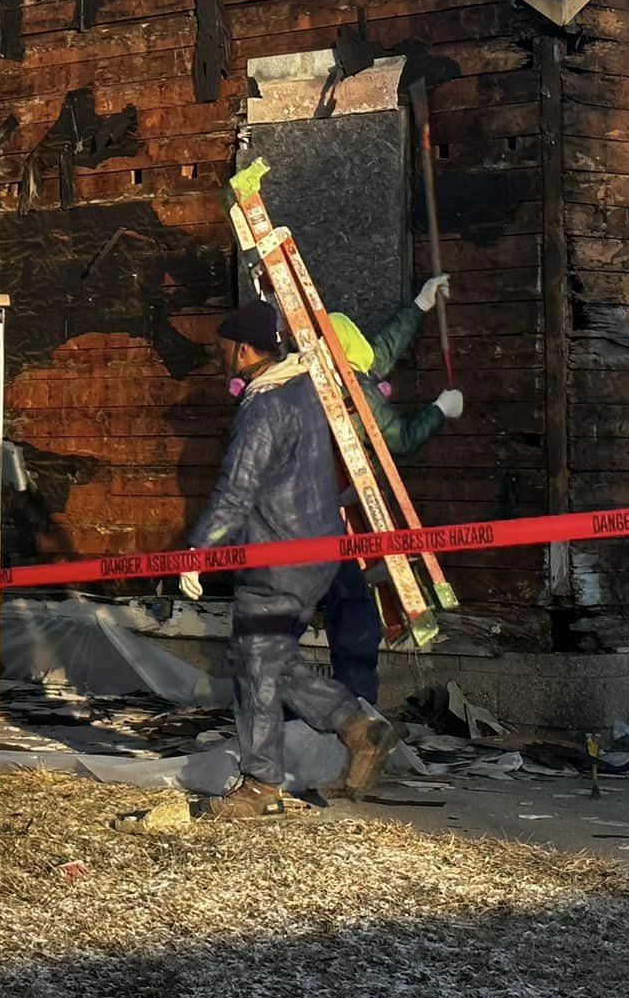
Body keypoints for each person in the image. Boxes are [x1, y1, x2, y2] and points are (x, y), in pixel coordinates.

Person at [180, 299, 403, 818]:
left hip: (278, 554)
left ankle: (261, 784)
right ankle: (359, 728)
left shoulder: (262, 409)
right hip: (322, 550)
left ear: (241, 350)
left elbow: (236, 492)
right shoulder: (305, 390)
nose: (220, 359)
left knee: (257, 664)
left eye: (222, 350)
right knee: (264, 656)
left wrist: (198, 551)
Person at [322, 275, 464, 703]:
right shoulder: (353, 392)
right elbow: (399, 438)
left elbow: (378, 353)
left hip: (313, 517)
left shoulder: (327, 374)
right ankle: (356, 708)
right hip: (341, 525)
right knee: (354, 610)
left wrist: (420, 304)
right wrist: (440, 409)